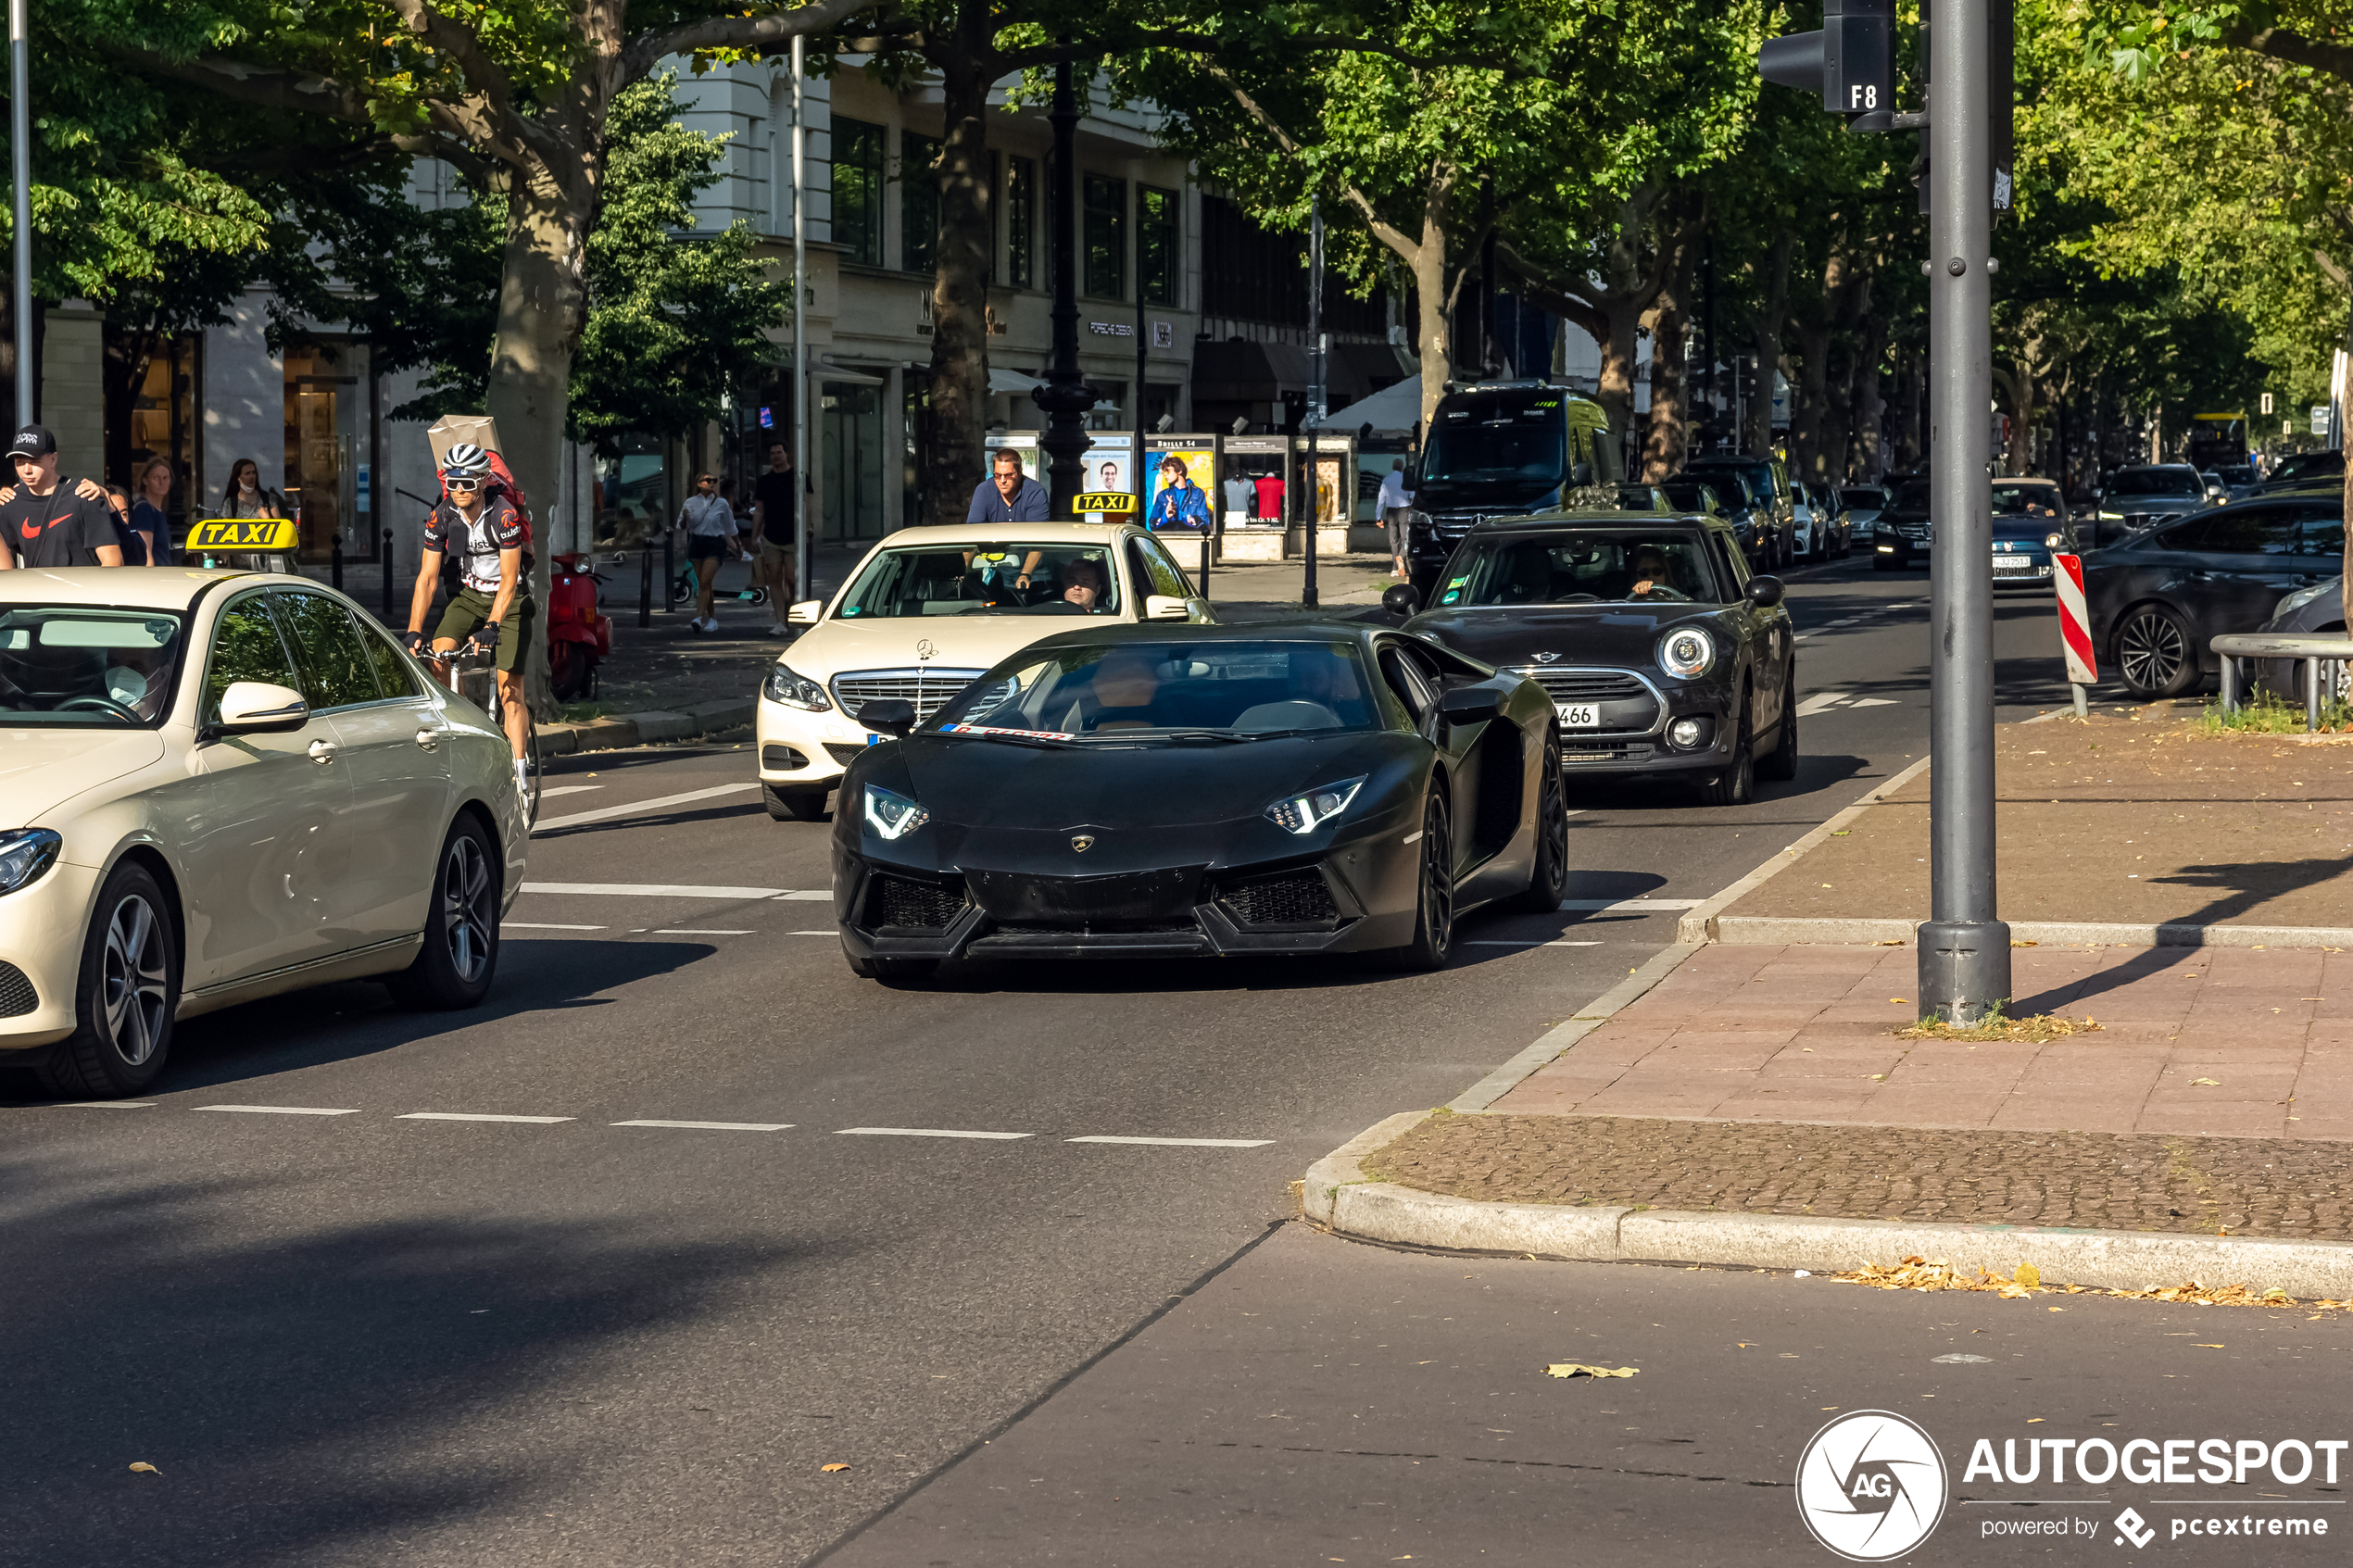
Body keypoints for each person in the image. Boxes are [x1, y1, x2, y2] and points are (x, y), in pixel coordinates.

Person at [401, 443, 535, 793]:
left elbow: (509, 580)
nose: (459, 490)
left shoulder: (503, 515)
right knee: (437, 658)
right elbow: (427, 578)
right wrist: (414, 630)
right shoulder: (442, 513)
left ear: (483, 481)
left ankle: (518, 774)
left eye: (468, 483)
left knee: (510, 690)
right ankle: (459, 732)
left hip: (511, 601)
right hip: (470, 597)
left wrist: (493, 626)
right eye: (452, 482)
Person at [0, 424, 124, 569]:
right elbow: (4, 569)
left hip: (81, 589)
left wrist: (92, 590)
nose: (27, 470)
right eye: (19, 462)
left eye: (35, 462)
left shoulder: (84, 496)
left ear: (53, 459)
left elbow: (113, 561)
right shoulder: (10, 503)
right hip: (37, 590)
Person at [676, 471, 743, 633]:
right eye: (708, 480)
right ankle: (712, 619)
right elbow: (682, 526)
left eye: (714, 480)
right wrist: (685, 518)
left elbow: (730, 527)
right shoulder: (690, 502)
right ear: (699, 484)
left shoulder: (721, 503)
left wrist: (739, 547)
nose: (712, 482)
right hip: (697, 543)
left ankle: (698, 618)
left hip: (715, 544)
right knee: (704, 585)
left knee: (705, 581)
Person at [752, 441, 798, 636]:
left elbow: (808, 504)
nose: (775, 456)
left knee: (792, 578)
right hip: (770, 538)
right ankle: (780, 621)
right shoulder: (764, 481)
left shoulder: (798, 477)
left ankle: (790, 609)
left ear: (786, 454)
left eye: (779, 452)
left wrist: (806, 529)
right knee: (775, 579)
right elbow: (759, 510)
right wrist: (754, 537)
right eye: (772, 453)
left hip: (793, 538)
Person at [966, 447, 1050, 524]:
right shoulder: (984, 491)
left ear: (1020, 472)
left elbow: (1035, 533)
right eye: (997, 475)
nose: (1002, 480)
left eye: (1008, 475)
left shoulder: (1035, 493)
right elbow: (974, 530)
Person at [1147, 455, 1212, 532]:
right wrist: (1166, 516)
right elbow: (1152, 524)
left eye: (1168, 470)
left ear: (1179, 471)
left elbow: (1205, 522)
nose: (1165, 474)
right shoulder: (1163, 495)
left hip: (1191, 539)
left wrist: (1181, 515)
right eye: (1164, 471)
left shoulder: (1197, 493)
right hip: (1168, 539)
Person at [131, 457, 174, 565]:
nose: (161, 482)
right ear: (145, 480)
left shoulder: (159, 511)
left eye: (165, 478)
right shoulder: (144, 509)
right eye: (156, 478)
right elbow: (145, 552)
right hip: (154, 577)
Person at [1377, 458, 1415, 579]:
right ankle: (1401, 556)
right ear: (1402, 468)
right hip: (1404, 510)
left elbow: (1380, 500)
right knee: (1405, 538)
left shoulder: (1386, 480)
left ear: (1393, 467)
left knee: (1393, 539)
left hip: (1391, 511)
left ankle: (1394, 568)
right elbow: (1412, 496)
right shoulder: (1405, 479)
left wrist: (1378, 517)